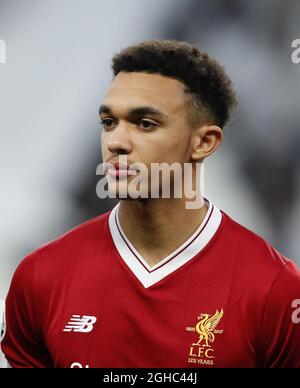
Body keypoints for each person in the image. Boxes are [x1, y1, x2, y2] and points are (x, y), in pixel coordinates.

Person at [1, 40, 300, 368]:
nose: (116, 142)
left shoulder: (275, 289)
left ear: (204, 142)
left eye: (145, 124)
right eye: (109, 122)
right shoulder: (40, 276)